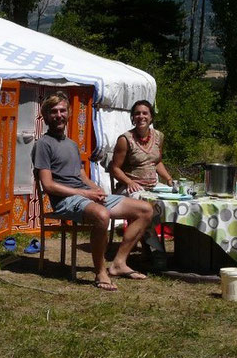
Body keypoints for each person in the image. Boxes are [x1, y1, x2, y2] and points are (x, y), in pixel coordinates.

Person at [34, 92, 154, 291]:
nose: (59, 115)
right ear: (45, 116)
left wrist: (94, 188)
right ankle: (100, 272)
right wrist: (85, 194)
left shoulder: (71, 144)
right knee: (101, 214)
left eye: (62, 110)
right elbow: (48, 185)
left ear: (69, 113)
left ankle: (119, 263)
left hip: (84, 195)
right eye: (53, 111)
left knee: (145, 210)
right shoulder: (43, 145)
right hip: (65, 201)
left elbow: (80, 174)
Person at [109, 99, 174, 270]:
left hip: (153, 185)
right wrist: (129, 181)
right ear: (132, 117)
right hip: (131, 186)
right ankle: (155, 250)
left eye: (145, 113)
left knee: (176, 200)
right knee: (144, 206)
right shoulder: (125, 139)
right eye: (137, 113)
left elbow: (157, 162)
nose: (141, 116)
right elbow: (114, 168)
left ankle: (174, 250)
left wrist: (168, 179)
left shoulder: (159, 136)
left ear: (151, 117)